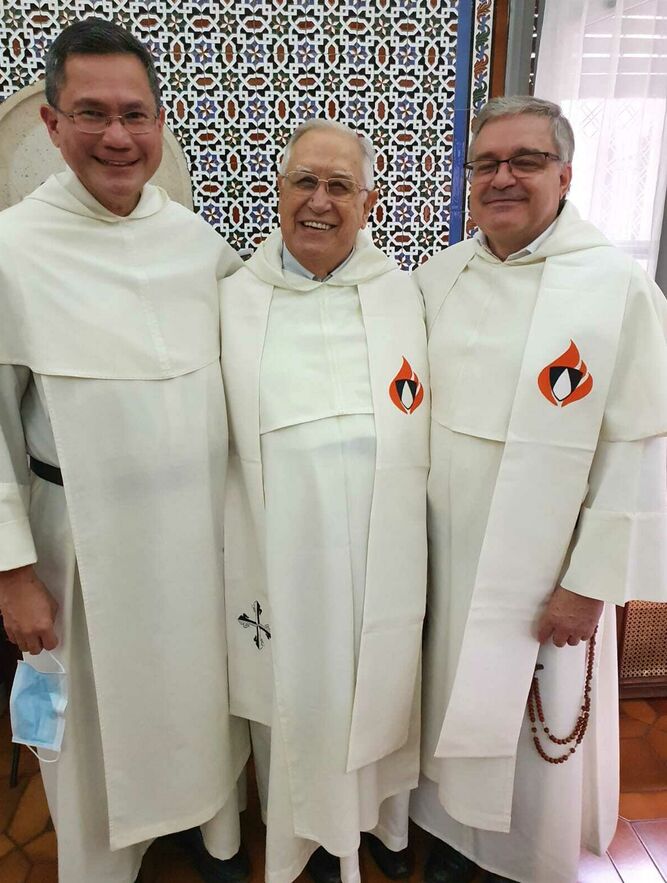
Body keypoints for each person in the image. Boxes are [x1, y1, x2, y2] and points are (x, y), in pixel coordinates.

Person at [0, 18, 250, 883]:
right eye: (93, 113)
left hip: (195, 539)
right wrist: (12, 570)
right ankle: (104, 862)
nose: (117, 135)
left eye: (135, 114)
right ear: (52, 123)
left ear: (158, 123)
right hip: (78, 546)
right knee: (95, 727)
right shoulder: (11, 250)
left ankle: (202, 830)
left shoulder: (193, 242)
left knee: (194, 702)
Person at [411, 95, 667, 883]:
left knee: (531, 739)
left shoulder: (614, 288)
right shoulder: (437, 275)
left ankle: (520, 862)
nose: (502, 178)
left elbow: (638, 448)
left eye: (523, 161)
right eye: (485, 163)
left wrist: (586, 585)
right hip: (436, 562)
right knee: (443, 712)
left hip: (542, 575)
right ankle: (447, 840)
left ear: (563, 173)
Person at [220, 119, 429, 883]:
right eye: (303, 182)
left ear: (368, 201)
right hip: (279, 553)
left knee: (377, 682)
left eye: (338, 185)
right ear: (277, 193)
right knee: (297, 693)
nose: (318, 200)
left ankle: (376, 824)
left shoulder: (404, 295)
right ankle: (299, 833)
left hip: (385, 549)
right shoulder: (232, 300)